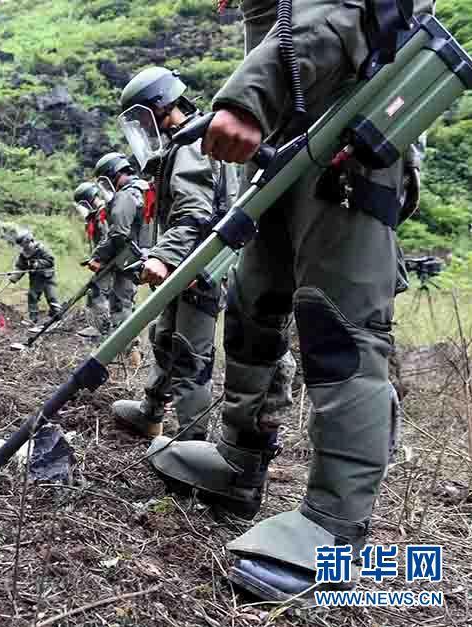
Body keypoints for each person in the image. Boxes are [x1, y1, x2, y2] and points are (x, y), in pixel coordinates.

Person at [141, 0, 433, 603]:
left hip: (353, 136)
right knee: (251, 313)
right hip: (290, 142)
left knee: (338, 329)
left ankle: (335, 527)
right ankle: (239, 462)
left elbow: (355, 9)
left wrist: (254, 94)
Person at [111, 67, 238, 440]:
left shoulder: (192, 146)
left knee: (189, 354)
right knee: (165, 336)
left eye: (141, 120)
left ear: (161, 108)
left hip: (201, 266)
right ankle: (151, 412)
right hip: (186, 262)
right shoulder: (183, 145)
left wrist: (162, 256)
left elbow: (196, 216)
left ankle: (192, 443)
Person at [88, 153, 150, 332]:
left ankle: (127, 351)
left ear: (112, 173)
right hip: (144, 254)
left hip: (129, 256)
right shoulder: (143, 189)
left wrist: (99, 256)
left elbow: (118, 233)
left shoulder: (125, 195)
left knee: (120, 305)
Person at [73, 182, 111, 340]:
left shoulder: (103, 213)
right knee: (96, 292)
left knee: (98, 293)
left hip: (110, 262)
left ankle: (104, 329)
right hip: (104, 260)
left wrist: (98, 258)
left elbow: (107, 239)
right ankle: (100, 327)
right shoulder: (95, 216)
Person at [10, 231, 61, 328]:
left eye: (25, 244)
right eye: (22, 246)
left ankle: (57, 317)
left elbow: (50, 261)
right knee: (32, 295)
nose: (25, 248)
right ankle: (33, 319)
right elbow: (21, 267)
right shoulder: (23, 254)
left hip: (47, 277)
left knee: (52, 297)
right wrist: (14, 277)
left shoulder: (41, 249)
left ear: (29, 240)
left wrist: (37, 264)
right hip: (35, 278)